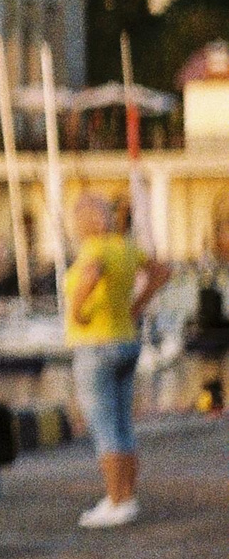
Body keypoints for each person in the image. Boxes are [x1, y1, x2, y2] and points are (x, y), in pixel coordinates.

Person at [66, 194, 170, 528]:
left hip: (95, 345)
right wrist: (138, 305)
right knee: (123, 424)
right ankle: (126, 496)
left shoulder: (94, 250)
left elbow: (92, 274)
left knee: (104, 426)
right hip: (126, 340)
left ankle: (115, 501)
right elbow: (162, 271)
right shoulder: (126, 246)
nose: (74, 226)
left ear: (87, 223)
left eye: (77, 219)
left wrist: (76, 310)